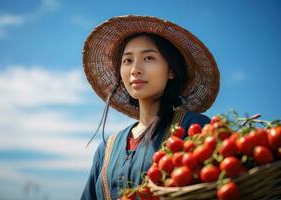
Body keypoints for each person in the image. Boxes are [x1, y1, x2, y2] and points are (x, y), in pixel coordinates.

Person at [81, 15, 220, 200]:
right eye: (127, 60)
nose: (135, 69)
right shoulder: (106, 149)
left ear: (171, 70)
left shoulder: (194, 128)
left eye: (148, 58)